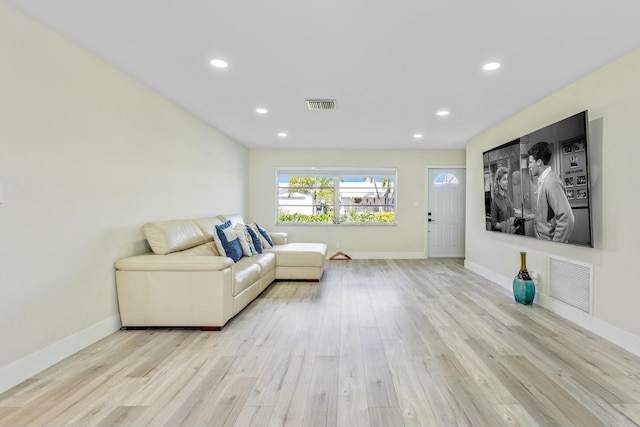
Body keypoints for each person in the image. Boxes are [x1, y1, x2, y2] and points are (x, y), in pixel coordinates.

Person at [528, 141, 575, 242]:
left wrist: (555, 245)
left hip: (549, 244)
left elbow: (567, 218)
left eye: (531, 162)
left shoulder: (551, 182)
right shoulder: (544, 180)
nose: (529, 166)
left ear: (539, 162)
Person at [490, 166, 516, 233]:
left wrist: (511, 226)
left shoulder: (507, 197)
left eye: (507, 179)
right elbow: (494, 224)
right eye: (504, 179)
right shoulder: (494, 202)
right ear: (498, 181)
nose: (507, 182)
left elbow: (512, 214)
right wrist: (507, 226)